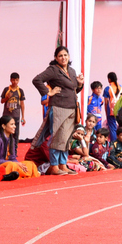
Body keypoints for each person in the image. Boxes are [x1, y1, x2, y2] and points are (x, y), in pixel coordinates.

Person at [33, 45, 84, 176]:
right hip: (58, 108)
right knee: (56, 137)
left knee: (66, 138)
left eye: (65, 55)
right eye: (60, 55)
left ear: (69, 56)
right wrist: (48, 92)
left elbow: (73, 90)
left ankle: (63, 164)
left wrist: (79, 84)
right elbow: (37, 80)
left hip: (72, 108)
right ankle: (54, 166)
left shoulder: (72, 71)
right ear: (56, 58)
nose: (63, 58)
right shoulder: (53, 70)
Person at [1, 72, 25, 149]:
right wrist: (7, 98)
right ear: (11, 80)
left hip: (16, 116)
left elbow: (22, 104)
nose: (15, 82)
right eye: (13, 80)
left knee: (15, 134)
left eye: (17, 80)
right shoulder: (6, 89)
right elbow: (2, 101)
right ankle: (4, 149)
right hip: (7, 116)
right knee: (5, 133)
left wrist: (23, 117)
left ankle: (14, 151)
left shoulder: (20, 91)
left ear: (19, 80)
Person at [103, 72, 120, 142]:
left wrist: (106, 113)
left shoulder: (107, 89)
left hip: (111, 111)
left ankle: (114, 145)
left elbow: (106, 102)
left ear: (109, 79)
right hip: (121, 111)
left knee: (113, 128)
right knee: (121, 129)